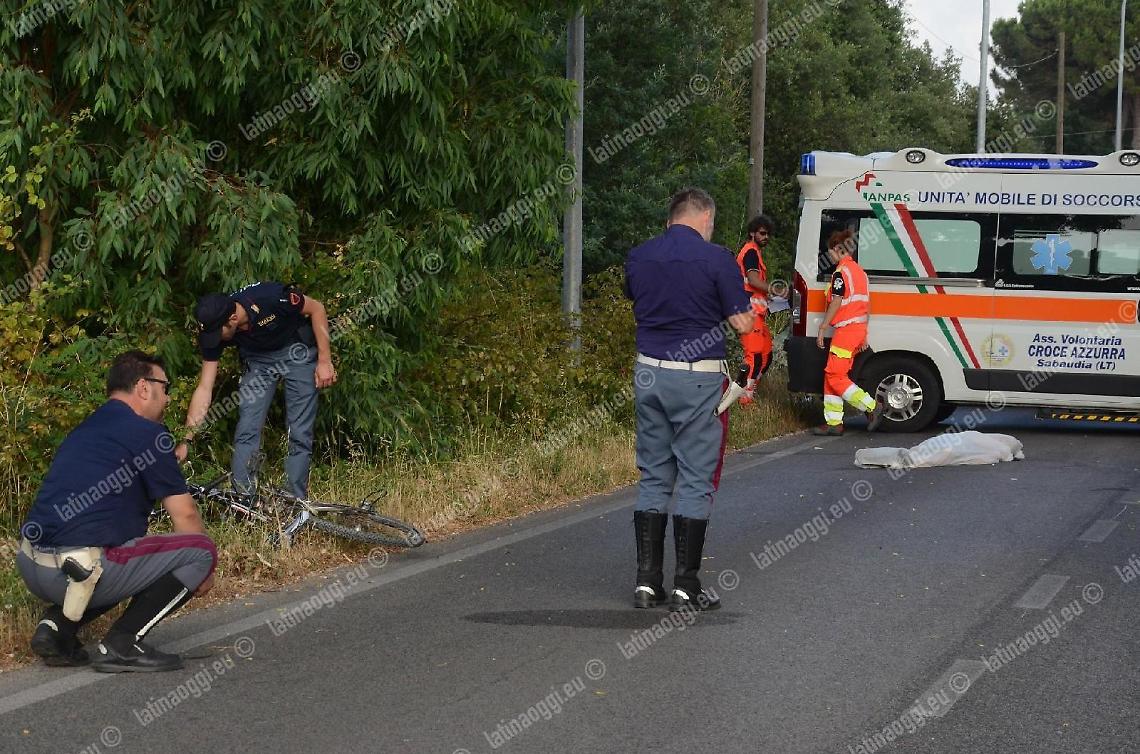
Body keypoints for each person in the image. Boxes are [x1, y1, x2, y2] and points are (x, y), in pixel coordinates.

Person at [17, 351, 217, 672]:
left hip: (32, 563)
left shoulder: (86, 428)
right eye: (165, 388)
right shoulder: (149, 434)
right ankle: (122, 643)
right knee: (201, 550)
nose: (166, 398)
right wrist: (204, 570)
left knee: (125, 552)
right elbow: (187, 517)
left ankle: (56, 628)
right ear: (143, 387)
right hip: (78, 568)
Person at [624, 188, 754, 611]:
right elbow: (741, 324)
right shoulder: (717, 258)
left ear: (670, 219)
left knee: (654, 475)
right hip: (696, 379)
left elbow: (638, 300)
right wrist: (754, 313)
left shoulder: (639, 255)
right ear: (706, 219)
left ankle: (646, 584)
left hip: (648, 373)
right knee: (696, 479)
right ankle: (685, 587)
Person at [181, 281, 337, 498]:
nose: (215, 340)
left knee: (299, 431)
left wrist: (324, 360)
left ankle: (295, 501)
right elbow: (205, 387)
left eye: (219, 334)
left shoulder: (271, 297)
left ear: (233, 319)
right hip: (257, 361)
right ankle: (244, 500)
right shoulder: (214, 326)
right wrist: (186, 439)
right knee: (247, 428)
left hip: (296, 351)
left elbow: (317, 308)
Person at [813, 229, 883, 436]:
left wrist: (823, 327)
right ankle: (834, 422)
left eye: (830, 253)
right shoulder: (860, 273)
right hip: (857, 330)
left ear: (837, 250)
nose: (830, 258)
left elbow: (836, 301)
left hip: (846, 331)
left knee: (834, 376)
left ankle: (872, 406)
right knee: (832, 375)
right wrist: (864, 335)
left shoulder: (841, 274)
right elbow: (866, 306)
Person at [736, 214, 775, 405]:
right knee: (755, 357)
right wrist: (774, 289)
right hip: (748, 312)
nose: (766, 237)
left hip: (757, 313)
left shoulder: (755, 253)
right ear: (752, 233)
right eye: (762, 233)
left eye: (768, 234)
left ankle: (748, 392)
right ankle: (745, 399)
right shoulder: (750, 252)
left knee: (766, 355)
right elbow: (753, 280)